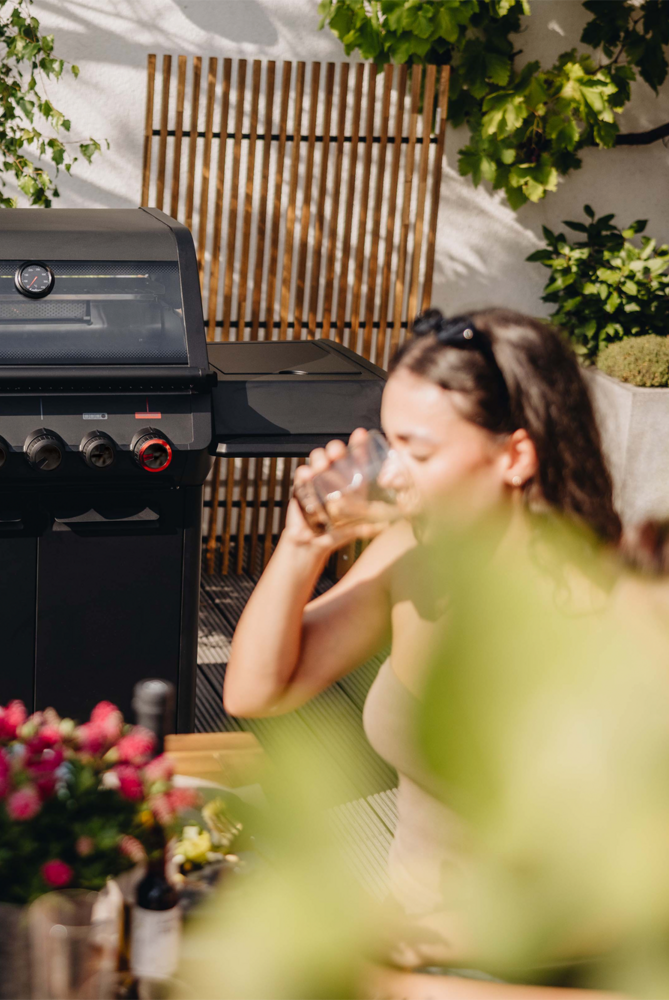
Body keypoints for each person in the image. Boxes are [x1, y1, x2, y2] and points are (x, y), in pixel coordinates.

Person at [223, 308, 623, 965]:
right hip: (400, 943)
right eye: (390, 443)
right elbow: (255, 692)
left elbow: (630, 897)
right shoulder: (415, 553)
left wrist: (411, 949)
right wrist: (302, 542)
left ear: (515, 456)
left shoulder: (594, 616)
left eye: (420, 451)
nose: (390, 474)